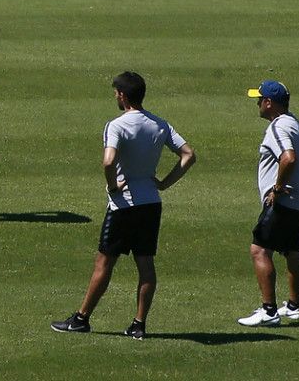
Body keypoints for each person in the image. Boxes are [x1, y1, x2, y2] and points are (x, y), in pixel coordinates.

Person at [51, 72, 196, 340]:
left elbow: (108, 162)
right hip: (151, 203)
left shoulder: (116, 125)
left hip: (123, 206)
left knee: (104, 263)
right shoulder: (160, 124)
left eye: (116, 92)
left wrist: (113, 186)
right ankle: (139, 324)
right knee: (146, 265)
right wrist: (163, 183)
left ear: (123, 96)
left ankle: (81, 319)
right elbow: (188, 154)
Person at [238, 80, 299, 327]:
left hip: (284, 201)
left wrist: (277, 189)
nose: (257, 103)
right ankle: (293, 307)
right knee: (292, 250)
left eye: (259, 99)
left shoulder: (278, 127)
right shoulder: (296, 123)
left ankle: (269, 311)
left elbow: (288, 159)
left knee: (259, 250)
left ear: (269, 102)